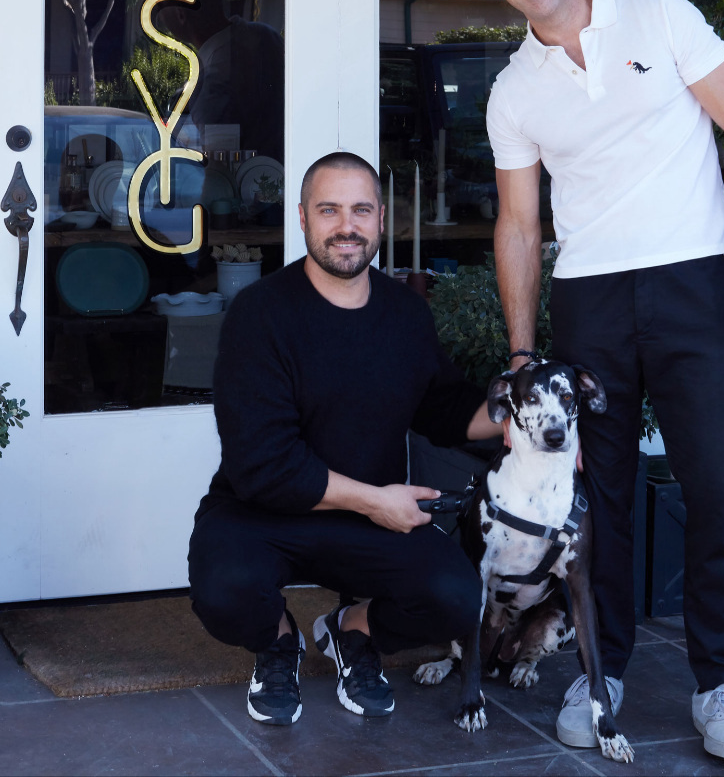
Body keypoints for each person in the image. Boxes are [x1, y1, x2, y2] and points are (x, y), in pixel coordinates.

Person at [480, 0, 724, 767]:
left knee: (719, 489)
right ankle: (600, 671)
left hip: (693, 282)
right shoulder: (514, 89)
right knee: (601, 501)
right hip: (590, 303)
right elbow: (517, 222)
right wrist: (519, 356)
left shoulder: (660, 15)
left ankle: (722, 685)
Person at [188, 151, 499, 725]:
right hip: (264, 511)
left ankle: (352, 630)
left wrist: (528, 420)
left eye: (360, 209)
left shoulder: (405, 313)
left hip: (366, 519)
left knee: (456, 597)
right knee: (224, 588)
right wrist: (377, 500)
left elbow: (444, 408)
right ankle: (279, 640)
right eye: (328, 210)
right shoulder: (260, 314)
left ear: (381, 219)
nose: (346, 225)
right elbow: (264, 465)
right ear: (302, 219)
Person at [153, 0, 284, 162]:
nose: (159, 17)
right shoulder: (266, 37)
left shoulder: (211, 83)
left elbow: (220, 172)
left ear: (181, 15)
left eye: (161, 8)